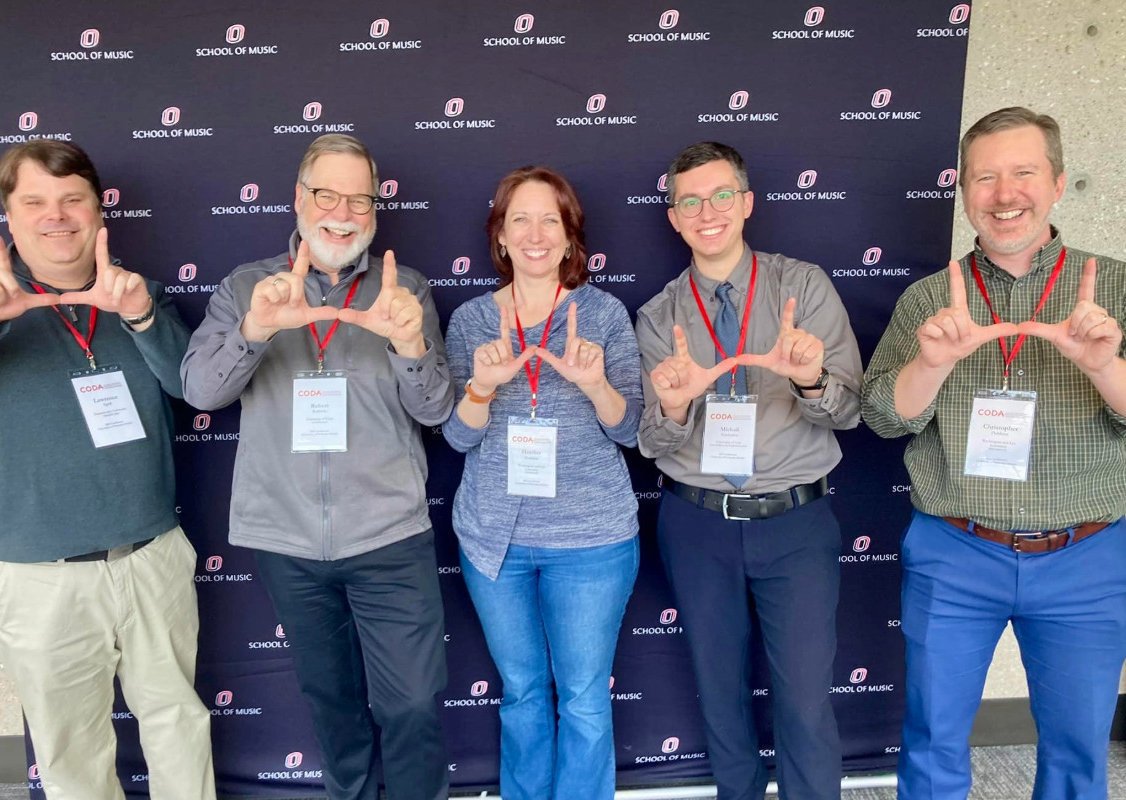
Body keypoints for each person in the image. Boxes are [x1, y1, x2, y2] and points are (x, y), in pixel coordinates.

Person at [0, 140, 214, 799]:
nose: (56, 217)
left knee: (178, 725)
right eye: (35, 202)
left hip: (151, 560)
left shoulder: (136, 292)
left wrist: (140, 315)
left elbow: (194, 387)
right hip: (37, 578)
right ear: (8, 214)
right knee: (70, 752)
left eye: (71, 200)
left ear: (98, 208)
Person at [862, 107, 1126, 800]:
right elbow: (883, 417)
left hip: (1088, 557)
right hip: (957, 551)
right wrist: (934, 363)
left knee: (1077, 750)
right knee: (933, 737)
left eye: (1023, 173)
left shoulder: (1115, 287)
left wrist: (1103, 366)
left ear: (1059, 183)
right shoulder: (931, 299)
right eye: (985, 177)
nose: (1004, 193)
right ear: (965, 190)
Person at [181, 134, 453, 800]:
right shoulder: (249, 286)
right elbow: (199, 392)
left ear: (376, 212)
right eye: (327, 194)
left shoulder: (405, 289)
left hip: (389, 536)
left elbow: (437, 409)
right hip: (287, 539)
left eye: (360, 199)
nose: (343, 212)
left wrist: (409, 342)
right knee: (332, 703)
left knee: (414, 704)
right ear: (300, 199)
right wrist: (254, 331)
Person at [635, 142, 863, 800]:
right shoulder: (659, 315)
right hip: (697, 523)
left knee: (804, 702)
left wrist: (812, 379)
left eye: (721, 196)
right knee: (720, 698)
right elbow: (651, 441)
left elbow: (849, 413)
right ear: (674, 218)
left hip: (794, 522)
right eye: (690, 202)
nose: (707, 212)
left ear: (748, 203)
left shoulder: (803, 287)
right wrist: (675, 409)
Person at [442, 166, 643, 800]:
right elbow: (456, 436)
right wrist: (482, 386)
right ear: (499, 236)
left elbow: (633, 427)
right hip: (494, 543)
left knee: (584, 699)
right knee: (522, 694)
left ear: (568, 236)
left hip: (591, 542)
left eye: (549, 220)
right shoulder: (472, 320)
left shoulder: (604, 313)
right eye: (518, 219)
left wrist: (593, 384)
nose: (534, 234)